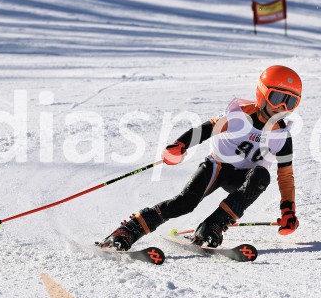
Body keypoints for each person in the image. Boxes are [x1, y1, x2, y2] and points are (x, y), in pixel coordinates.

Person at [99, 65, 302, 250]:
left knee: (261, 175)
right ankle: (129, 230)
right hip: (217, 168)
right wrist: (180, 145)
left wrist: (288, 210)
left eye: (290, 102)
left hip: (245, 179)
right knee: (185, 203)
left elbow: (285, 176)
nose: (282, 108)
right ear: (262, 94)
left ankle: (211, 226)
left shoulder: (282, 136)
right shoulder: (239, 116)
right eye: (277, 98)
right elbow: (207, 129)